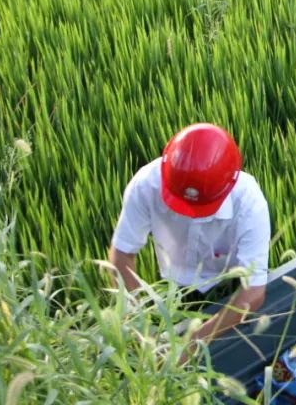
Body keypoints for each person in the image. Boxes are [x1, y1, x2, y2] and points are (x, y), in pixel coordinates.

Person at [108, 123, 271, 353]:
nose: (189, 215)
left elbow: (253, 292)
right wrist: (141, 325)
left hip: (229, 281)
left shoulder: (249, 204)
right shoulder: (146, 184)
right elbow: (121, 255)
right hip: (171, 280)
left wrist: (189, 346)